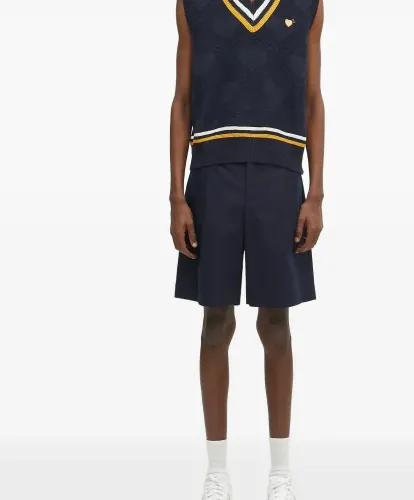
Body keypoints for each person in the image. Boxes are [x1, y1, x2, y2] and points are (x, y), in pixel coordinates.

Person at [170, 0, 324, 497]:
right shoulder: (193, 5)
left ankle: (280, 472)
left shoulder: (306, 6)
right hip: (211, 174)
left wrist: (315, 194)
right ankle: (217, 472)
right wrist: (177, 197)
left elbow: (313, 99)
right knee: (215, 321)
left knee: (276, 322)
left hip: (280, 177)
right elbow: (182, 100)